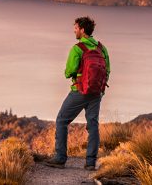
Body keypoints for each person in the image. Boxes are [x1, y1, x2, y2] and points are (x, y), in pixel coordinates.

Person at [44, 16, 110, 170]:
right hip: (96, 93)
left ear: (82, 30)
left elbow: (69, 72)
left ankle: (60, 158)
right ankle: (90, 163)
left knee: (62, 120)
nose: (74, 30)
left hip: (79, 91)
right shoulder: (102, 48)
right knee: (93, 125)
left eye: (75, 28)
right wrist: (100, 89)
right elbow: (107, 70)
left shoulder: (77, 48)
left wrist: (70, 73)